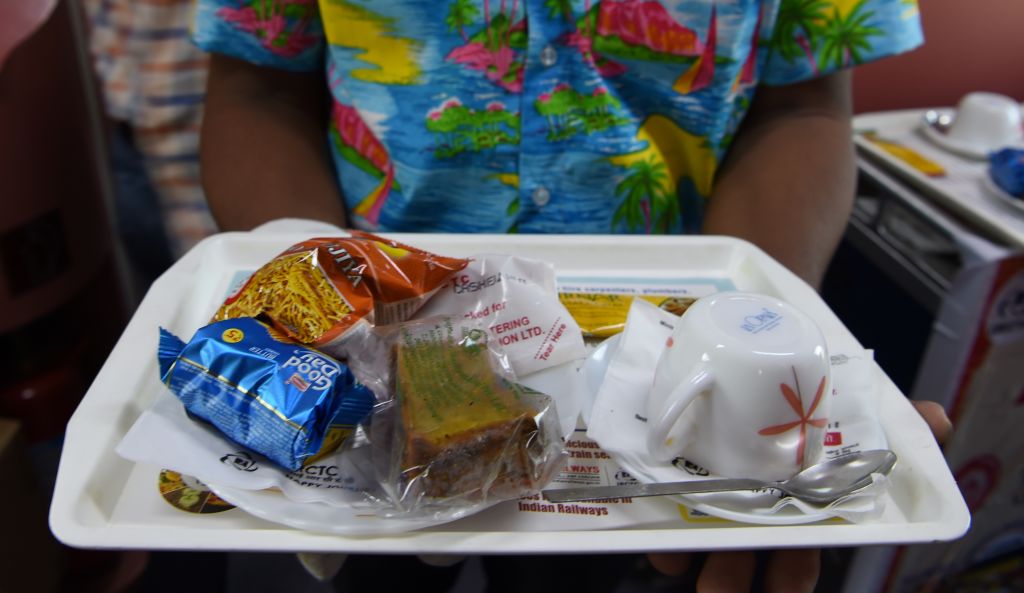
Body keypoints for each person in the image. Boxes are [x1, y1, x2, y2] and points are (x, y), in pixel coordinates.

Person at [192, 1, 953, 590]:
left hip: (652, 375)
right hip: (367, 345)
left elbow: (803, 105)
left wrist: (761, 350)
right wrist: (315, 334)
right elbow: (259, 90)